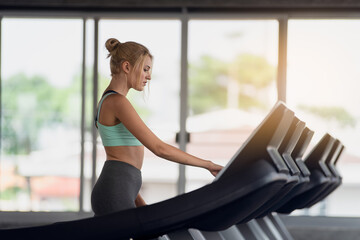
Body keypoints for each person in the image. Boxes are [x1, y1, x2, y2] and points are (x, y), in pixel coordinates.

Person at [91, 38, 223, 216]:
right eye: (145, 69)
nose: (149, 76)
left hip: (120, 189)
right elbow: (159, 148)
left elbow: (124, 162)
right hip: (115, 190)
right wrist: (208, 165)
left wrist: (139, 203)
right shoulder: (117, 102)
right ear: (127, 67)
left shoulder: (110, 100)